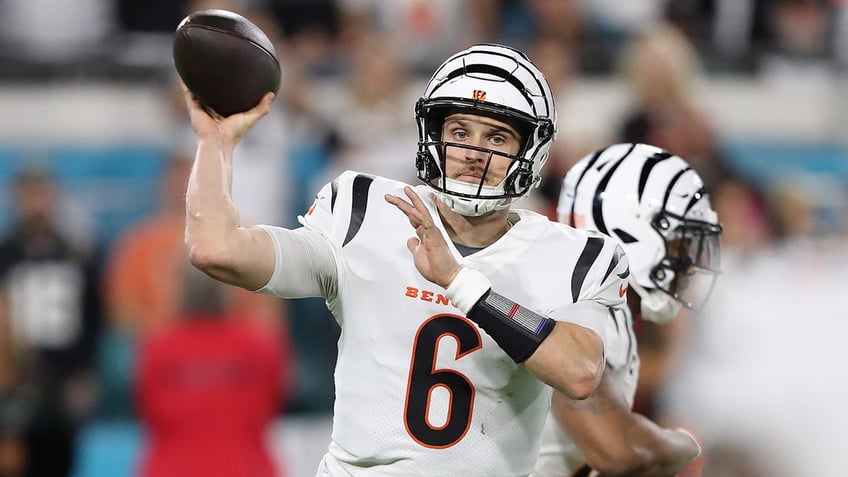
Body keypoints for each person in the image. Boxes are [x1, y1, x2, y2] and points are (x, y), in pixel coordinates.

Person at [182, 43, 630, 476]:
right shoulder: (364, 212)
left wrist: (461, 283)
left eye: (496, 136)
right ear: (433, 136)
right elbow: (216, 250)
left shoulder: (576, 257)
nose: (474, 153)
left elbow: (580, 371)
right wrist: (214, 143)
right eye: (459, 133)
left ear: (529, 151)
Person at [532, 142, 722, 476]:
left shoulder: (596, 303)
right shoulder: (589, 309)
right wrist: (685, 443)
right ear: (631, 231)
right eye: (681, 244)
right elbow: (618, 451)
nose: (689, 266)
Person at [134, 259, 290, 477]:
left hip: (172, 468)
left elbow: (147, 408)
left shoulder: (156, 348)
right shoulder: (261, 345)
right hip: (246, 468)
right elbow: (275, 399)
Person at [0, 167, 103, 477]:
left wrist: (84, 372)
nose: (36, 204)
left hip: (61, 376)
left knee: (59, 457)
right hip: (14, 377)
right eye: (29, 195)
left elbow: (93, 318)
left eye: (42, 194)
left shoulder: (76, 254)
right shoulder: (6, 255)